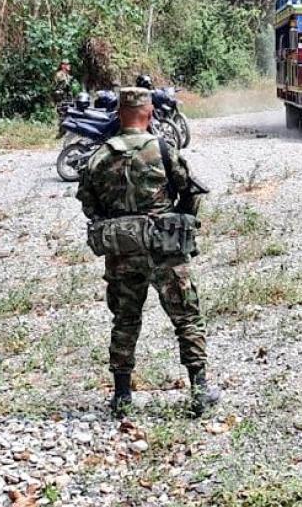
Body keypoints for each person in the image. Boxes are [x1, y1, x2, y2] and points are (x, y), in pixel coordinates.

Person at [76, 87, 220, 417]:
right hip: (165, 250)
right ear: (150, 113)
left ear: (119, 115)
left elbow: (89, 204)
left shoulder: (100, 155)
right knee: (186, 317)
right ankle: (198, 392)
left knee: (125, 320)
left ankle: (122, 397)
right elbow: (189, 190)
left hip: (123, 253)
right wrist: (180, 221)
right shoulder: (162, 149)